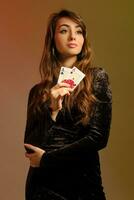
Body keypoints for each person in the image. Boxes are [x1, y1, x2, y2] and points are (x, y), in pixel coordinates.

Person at [24, 9, 112, 200]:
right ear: (52, 40)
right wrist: (53, 109)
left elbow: (98, 138)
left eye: (79, 31)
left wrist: (47, 159)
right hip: (43, 188)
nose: (73, 36)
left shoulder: (96, 78)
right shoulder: (38, 92)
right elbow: (31, 147)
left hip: (83, 184)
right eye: (64, 30)